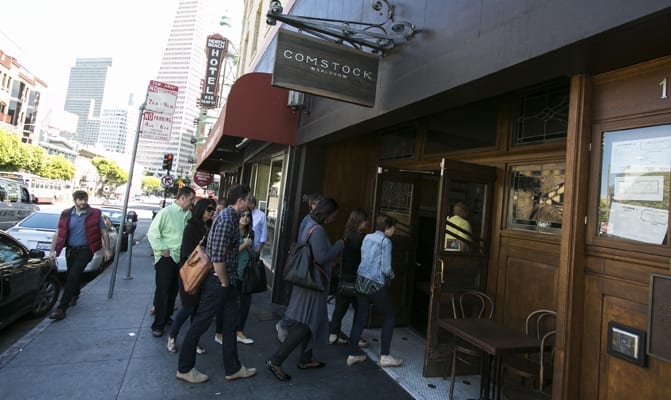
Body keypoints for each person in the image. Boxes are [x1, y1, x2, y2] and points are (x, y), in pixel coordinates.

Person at [176, 184, 256, 384]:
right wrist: (223, 281)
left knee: (230, 324)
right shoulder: (227, 219)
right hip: (218, 281)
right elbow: (218, 256)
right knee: (200, 324)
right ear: (240, 200)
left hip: (223, 281)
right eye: (249, 199)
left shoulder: (229, 217)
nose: (250, 203)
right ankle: (185, 368)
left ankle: (234, 368)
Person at [266, 198, 344, 382]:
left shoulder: (307, 221)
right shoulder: (318, 231)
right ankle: (276, 360)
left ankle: (305, 358)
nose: (334, 218)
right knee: (305, 324)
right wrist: (338, 246)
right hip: (313, 285)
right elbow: (322, 256)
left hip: (306, 281)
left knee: (311, 322)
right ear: (327, 213)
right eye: (333, 215)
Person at [347, 214, 403, 368]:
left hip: (361, 281)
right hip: (375, 284)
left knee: (361, 316)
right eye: (393, 228)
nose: (394, 231)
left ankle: (352, 354)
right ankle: (385, 356)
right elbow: (385, 268)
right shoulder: (386, 241)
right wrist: (391, 273)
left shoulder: (367, 237)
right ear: (387, 228)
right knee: (390, 315)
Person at [48, 190, 112, 320]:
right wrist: (52, 250)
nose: (83, 202)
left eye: (85, 199)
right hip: (71, 250)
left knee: (72, 276)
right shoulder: (66, 214)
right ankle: (75, 293)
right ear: (75, 200)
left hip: (86, 250)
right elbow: (58, 233)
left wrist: (107, 250)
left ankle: (61, 308)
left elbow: (104, 233)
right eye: (80, 199)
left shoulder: (95, 214)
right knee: (72, 274)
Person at [166, 198, 216, 354]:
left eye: (213, 210)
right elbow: (188, 252)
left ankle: (192, 341)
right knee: (188, 308)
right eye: (209, 209)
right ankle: (172, 337)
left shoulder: (209, 227)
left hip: (204, 273)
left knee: (197, 310)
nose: (211, 212)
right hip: (190, 273)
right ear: (201, 210)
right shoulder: (191, 227)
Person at [147, 186, 196, 337]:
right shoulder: (166, 212)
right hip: (166, 257)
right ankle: (158, 324)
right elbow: (153, 233)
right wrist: (162, 249)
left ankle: (166, 316)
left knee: (174, 290)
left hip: (181, 258)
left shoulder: (189, 214)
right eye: (190, 199)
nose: (192, 203)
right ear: (182, 198)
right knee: (163, 290)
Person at [276, 192, 324, 342]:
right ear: (312, 205)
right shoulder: (310, 221)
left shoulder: (312, 220)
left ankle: (292, 326)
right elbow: (303, 242)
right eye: (318, 204)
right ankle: (284, 324)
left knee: (299, 300)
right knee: (298, 301)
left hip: (304, 265)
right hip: (305, 266)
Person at [329, 208, 369, 348]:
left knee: (339, 308)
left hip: (344, 277)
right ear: (359, 222)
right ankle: (355, 338)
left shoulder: (347, 236)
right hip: (355, 278)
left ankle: (333, 335)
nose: (367, 223)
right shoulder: (361, 239)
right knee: (360, 310)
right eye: (365, 220)